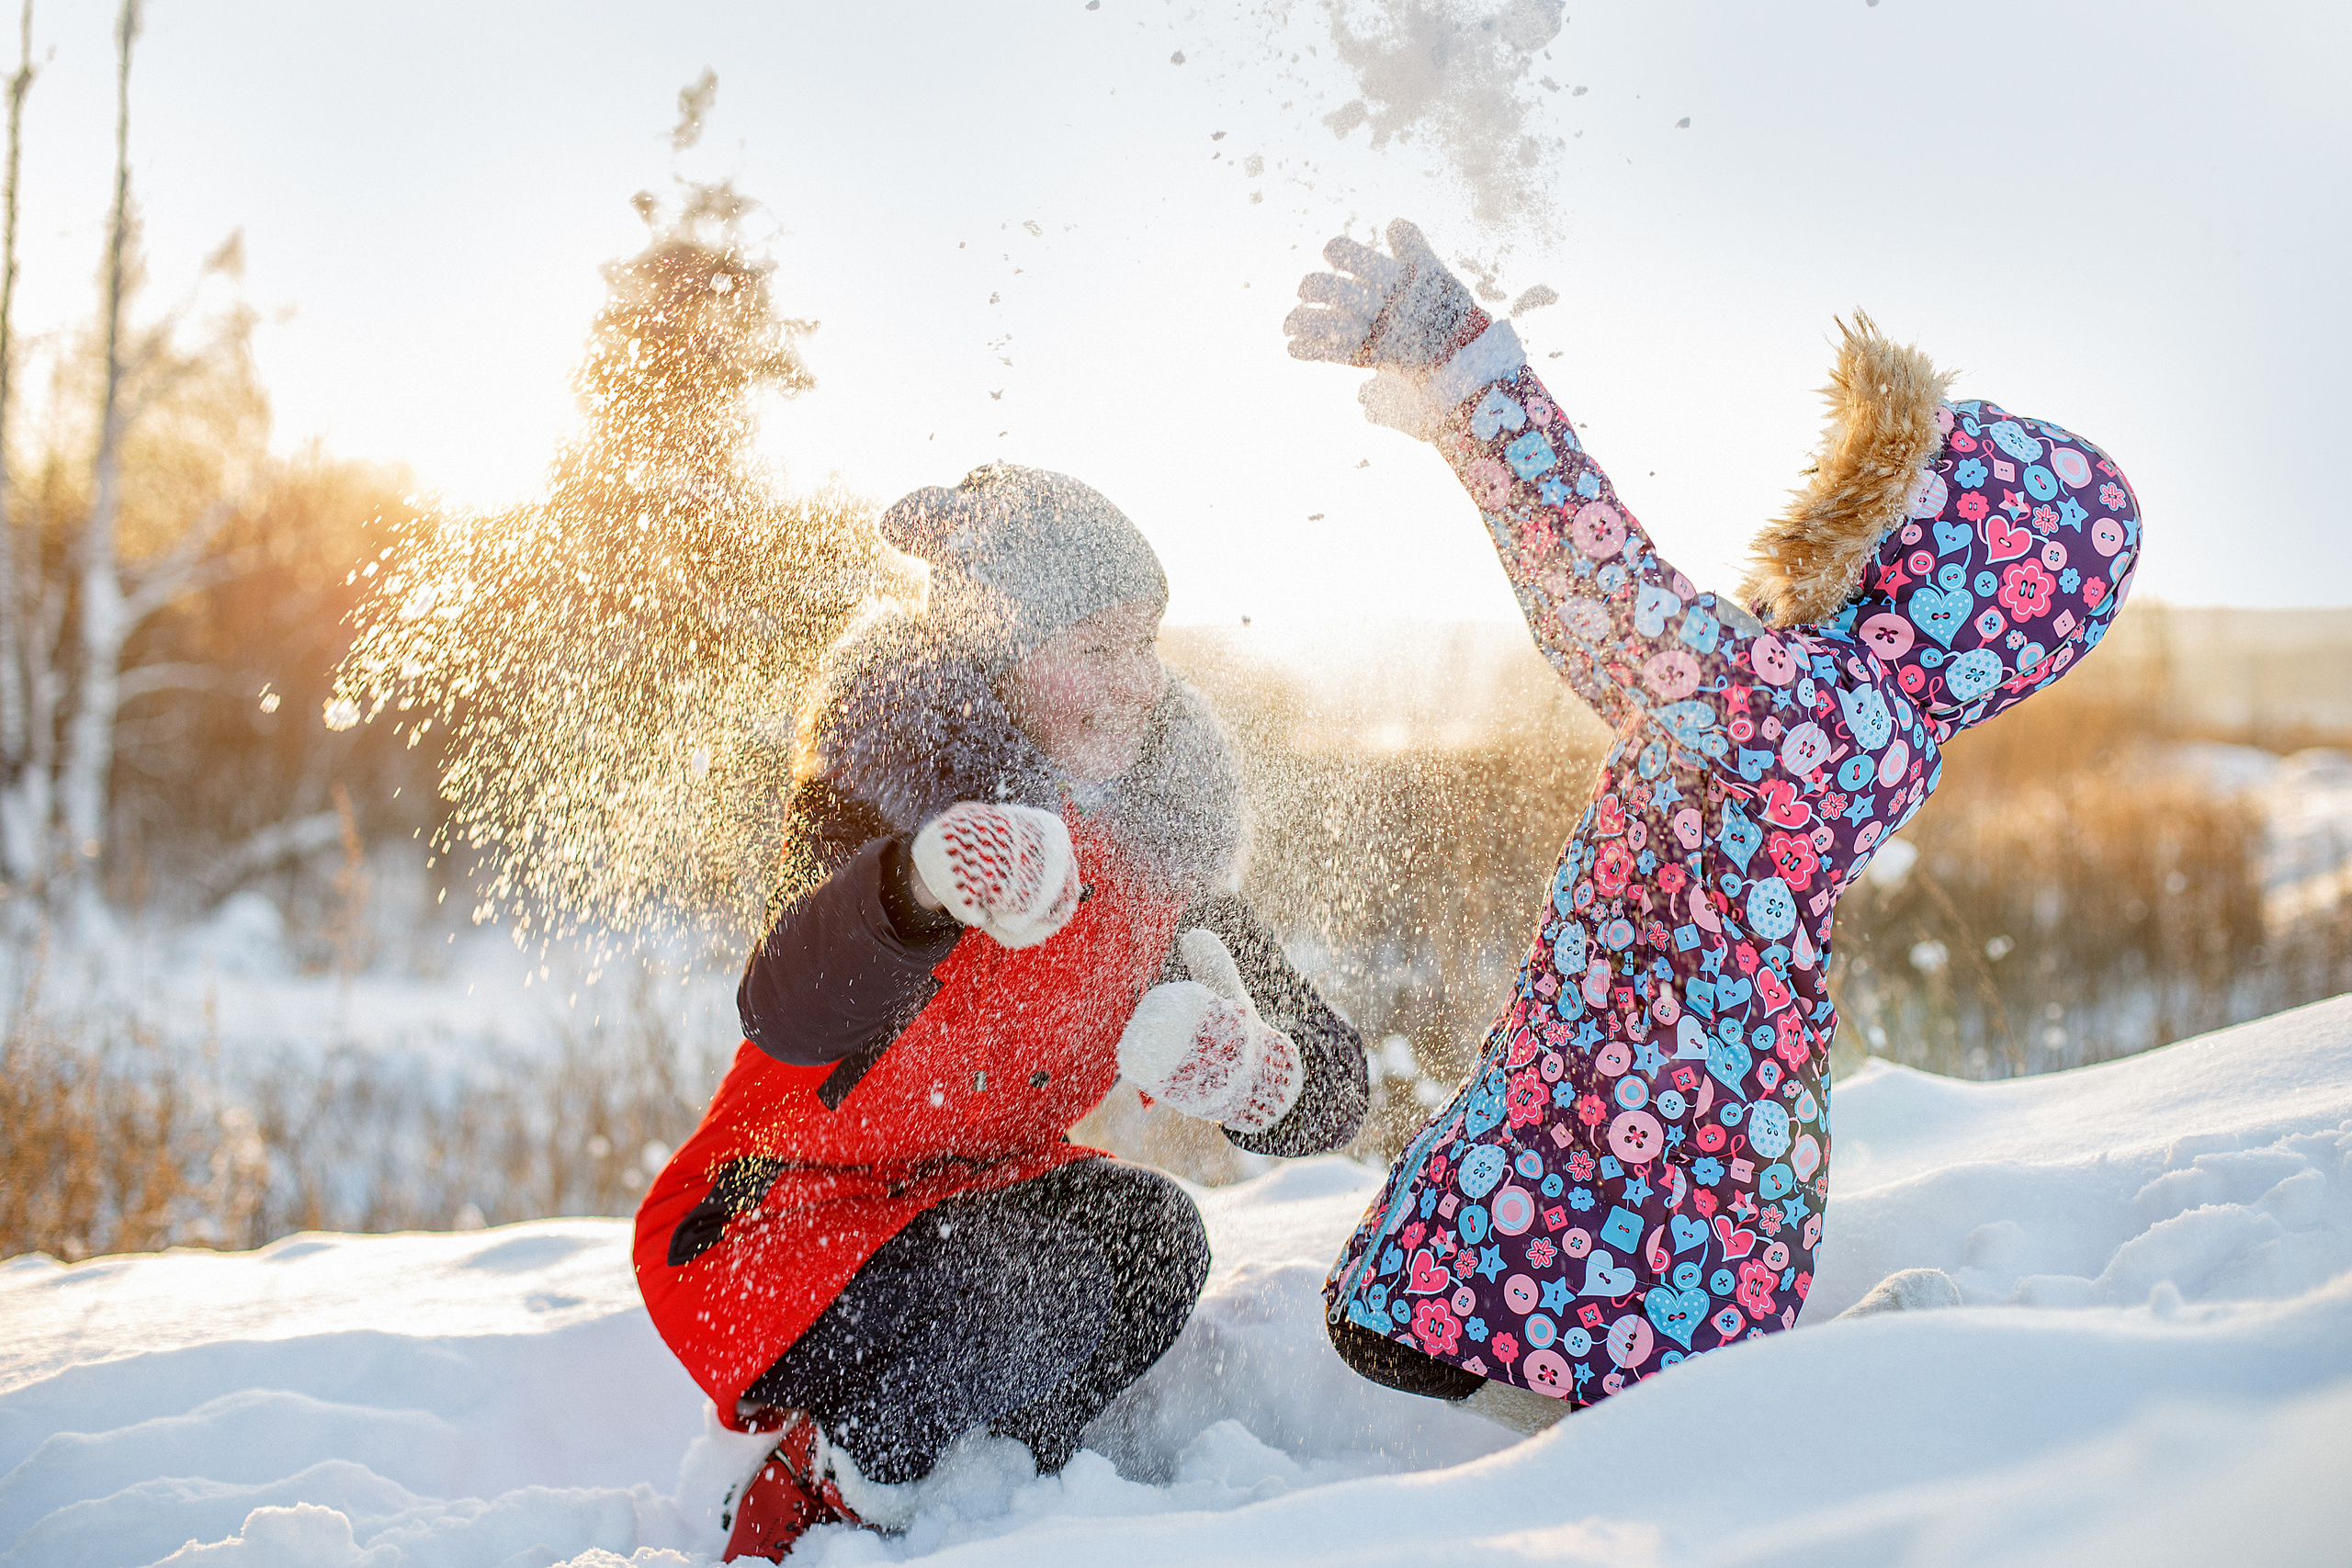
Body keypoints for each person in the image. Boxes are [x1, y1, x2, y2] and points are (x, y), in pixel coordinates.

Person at [1284, 221, 2143, 1431]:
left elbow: (1611, 591)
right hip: (1635, 1085)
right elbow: (1600, 626)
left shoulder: (1807, 705)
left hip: (1667, 1123)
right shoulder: (1824, 694)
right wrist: (1456, 428)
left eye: (1880, 493)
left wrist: (1471, 373)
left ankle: (1858, 1394)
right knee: (1435, 1333)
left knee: (1581, 1390)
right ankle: (1734, 1416)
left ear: (1928, 554)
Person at [631, 462, 1369, 1560]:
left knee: (1155, 1237)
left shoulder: (1158, 857)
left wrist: (1270, 1078)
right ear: (996, 661)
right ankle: (823, 1503)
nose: (1137, 685)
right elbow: (784, 1010)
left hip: (975, 1207)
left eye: (1146, 644)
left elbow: (1335, 1087)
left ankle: (982, 1489)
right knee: (1036, 1290)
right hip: (766, 1230)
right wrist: (919, 885)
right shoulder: (881, 802)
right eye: (1092, 650)